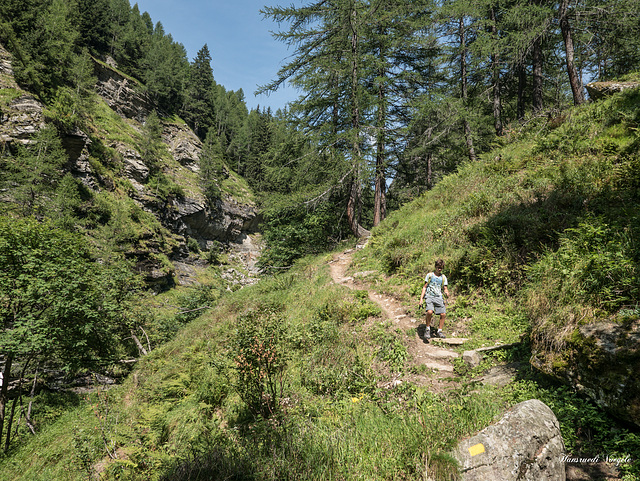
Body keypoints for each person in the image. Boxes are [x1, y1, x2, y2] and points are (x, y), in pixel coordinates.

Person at [418, 259, 449, 341]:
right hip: (429, 296)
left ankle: (439, 331)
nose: (439, 269)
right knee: (429, 312)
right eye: (438, 267)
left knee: (443, 314)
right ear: (435, 267)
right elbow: (424, 287)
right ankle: (427, 329)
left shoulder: (443, 277)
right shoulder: (430, 275)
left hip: (439, 297)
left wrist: (446, 292)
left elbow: (445, 288)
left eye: (441, 268)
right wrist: (421, 299)